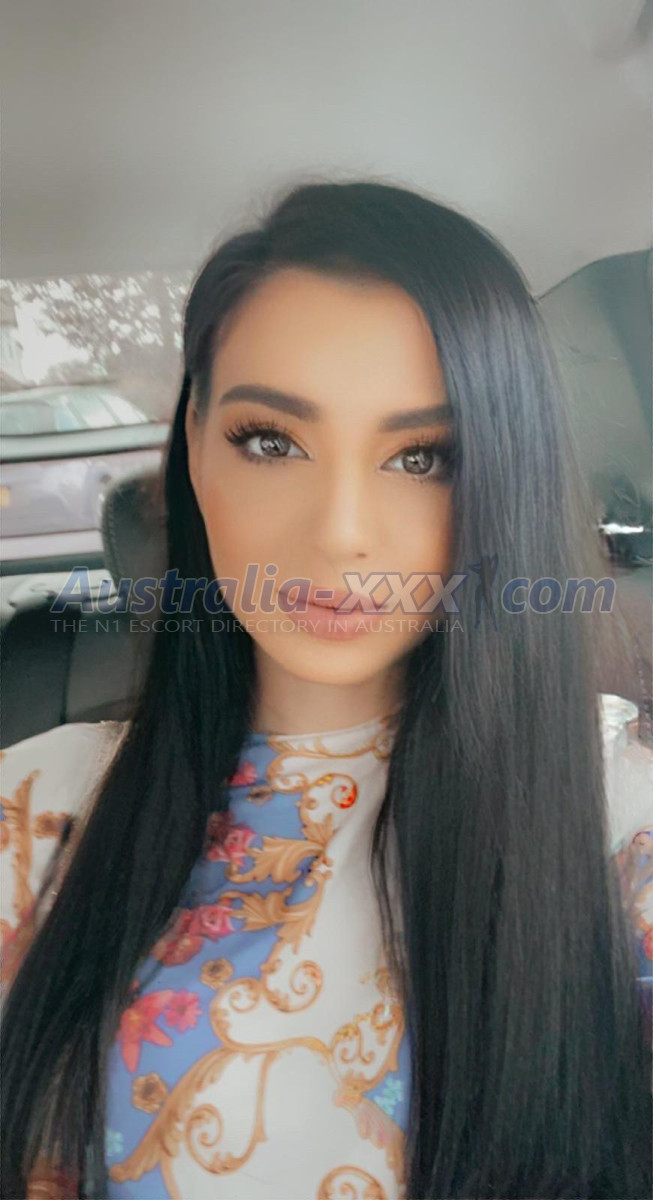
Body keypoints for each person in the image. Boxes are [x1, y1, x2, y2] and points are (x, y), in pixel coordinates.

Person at [1, 179, 651, 1200]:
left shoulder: (619, 823)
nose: (341, 530)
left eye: (423, 457)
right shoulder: (34, 812)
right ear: (195, 452)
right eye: (271, 441)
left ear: (505, 480)